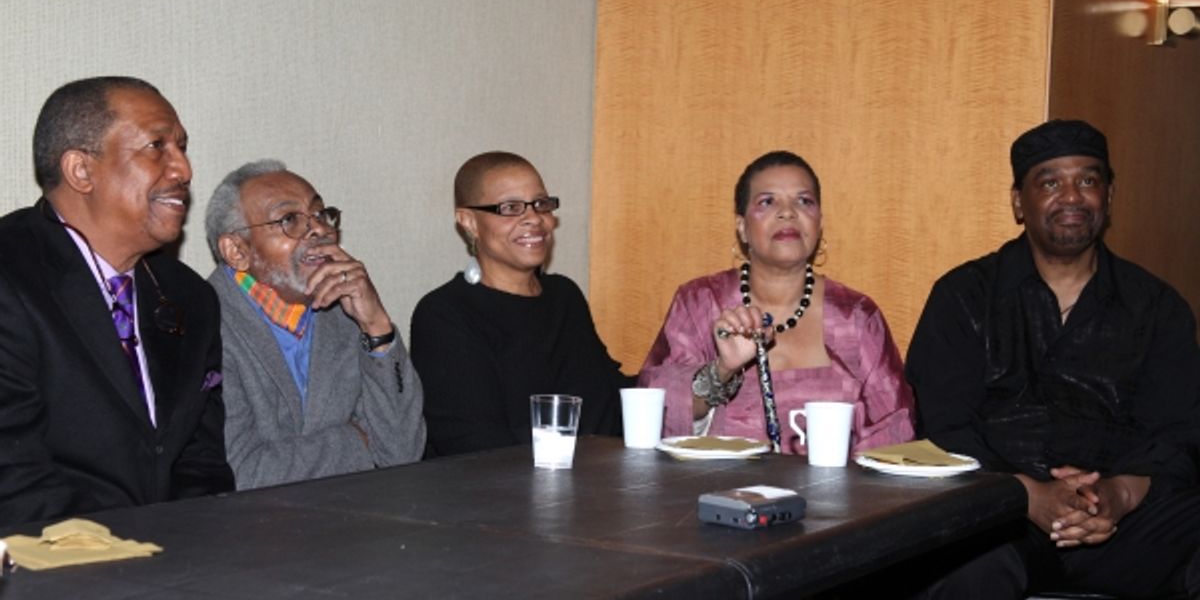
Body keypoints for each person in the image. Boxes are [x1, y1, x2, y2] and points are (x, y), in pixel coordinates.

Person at [906, 119, 1200, 598]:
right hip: (1001, 516)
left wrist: (1119, 494)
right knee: (957, 557)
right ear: (1019, 202)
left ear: (1109, 197)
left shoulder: (1157, 307)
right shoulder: (964, 295)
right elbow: (943, 426)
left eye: (1087, 180)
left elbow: (1180, 434)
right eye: (1050, 182)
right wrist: (1027, 494)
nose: (1071, 196)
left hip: (1126, 524)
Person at [0, 76, 234, 527]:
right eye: (156, 146)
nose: (183, 169)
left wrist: (196, 550)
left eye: (182, 147)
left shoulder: (190, 296)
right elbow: (13, 479)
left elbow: (201, 463)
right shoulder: (12, 274)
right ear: (81, 171)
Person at [639, 151, 915, 454]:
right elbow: (651, 414)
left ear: (819, 224)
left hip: (838, 498)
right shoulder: (700, 303)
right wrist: (721, 372)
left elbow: (895, 436)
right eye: (767, 202)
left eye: (804, 201)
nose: (788, 213)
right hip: (719, 494)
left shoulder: (857, 317)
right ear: (742, 227)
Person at [204, 160, 425, 489]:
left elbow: (402, 452)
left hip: (360, 524)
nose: (320, 230)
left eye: (320, 214)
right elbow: (242, 474)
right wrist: (357, 442)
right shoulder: (204, 325)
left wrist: (376, 324)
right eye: (289, 219)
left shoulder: (346, 310)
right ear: (237, 251)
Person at [410, 151, 632, 457]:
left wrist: (709, 378)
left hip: (599, 487)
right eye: (511, 207)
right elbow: (474, 446)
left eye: (540, 204)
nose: (533, 219)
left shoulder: (564, 296)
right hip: (501, 497)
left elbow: (613, 400)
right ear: (468, 222)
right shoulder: (445, 314)